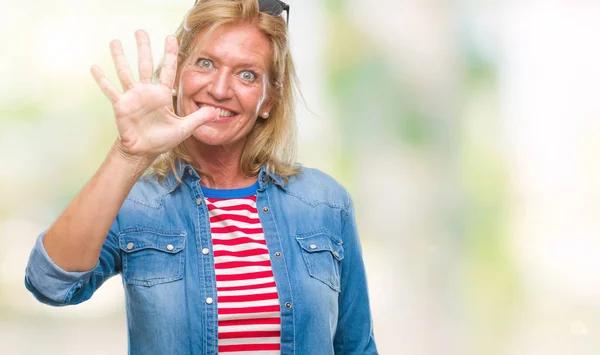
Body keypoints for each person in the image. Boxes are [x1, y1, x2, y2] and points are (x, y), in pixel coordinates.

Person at [24, 0, 378, 354]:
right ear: (178, 74)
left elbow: (357, 347)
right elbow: (49, 283)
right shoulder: (137, 205)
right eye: (205, 63)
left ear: (269, 99)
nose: (220, 89)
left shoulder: (325, 202)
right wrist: (128, 155)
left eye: (247, 74)